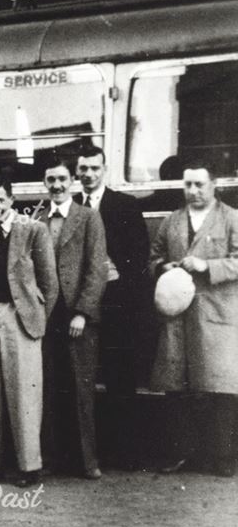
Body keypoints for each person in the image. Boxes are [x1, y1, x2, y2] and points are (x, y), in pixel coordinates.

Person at [0, 175, 57, 487]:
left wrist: (37, 316)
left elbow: (50, 282)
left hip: (20, 316)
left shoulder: (32, 229)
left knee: (25, 391)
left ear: (11, 200)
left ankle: (29, 467)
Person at [150, 163, 238, 477]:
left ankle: (222, 458)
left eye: (200, 184)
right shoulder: (171, 221)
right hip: (178, 316)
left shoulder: (231, 218)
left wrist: (206, 265)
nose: (193, 191)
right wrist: (164, 266)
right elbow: (154, 255)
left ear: (214, 185)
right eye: (188, 185)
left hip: (216, 316)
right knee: (177, 389)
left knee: (220, 390)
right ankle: (179, 454)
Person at [74, 146, 149, 470]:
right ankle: (87, 453)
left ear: (104, 169)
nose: (88, 174)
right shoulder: (71, 206)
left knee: (120, 377)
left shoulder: (125, 205)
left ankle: (126, 453)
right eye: (83, 169)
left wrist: (116, 269)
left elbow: (140, 256)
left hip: (118, 303)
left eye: (94, 168)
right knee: (83, 379)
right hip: (82, 306)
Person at [40, 159, 107, 480]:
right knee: (48, 388)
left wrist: (82, 312)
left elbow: (96, 270)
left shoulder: (88, 218)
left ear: (72, 182)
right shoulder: (37, 220)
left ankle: (87, 462)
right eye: (51, 179)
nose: (56, 185)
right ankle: (51, 459)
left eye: (62, 179)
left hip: (77, 317)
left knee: (81, 391)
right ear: (44, 183)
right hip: (44, 317)